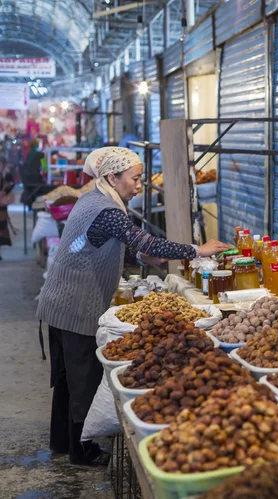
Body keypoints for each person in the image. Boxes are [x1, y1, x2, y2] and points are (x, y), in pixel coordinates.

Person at [36, 147, 229, 466]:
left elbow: (105, 246)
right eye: (135, 178)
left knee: (68, 377)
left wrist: (141, 258)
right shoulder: (106, 208)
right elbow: (146, 241)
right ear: (113, 177)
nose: (139, 185)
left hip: (60, 301)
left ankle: (62, 441)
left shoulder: (95, 199)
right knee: (82, 377)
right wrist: (198, 249)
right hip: (75, 305)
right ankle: (82, 451)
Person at [0, 157, 15, 258]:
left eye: (1, 165)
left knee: (1, 228)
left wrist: (6, 193)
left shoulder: (5, 175)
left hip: (2, 208)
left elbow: (11, 184)